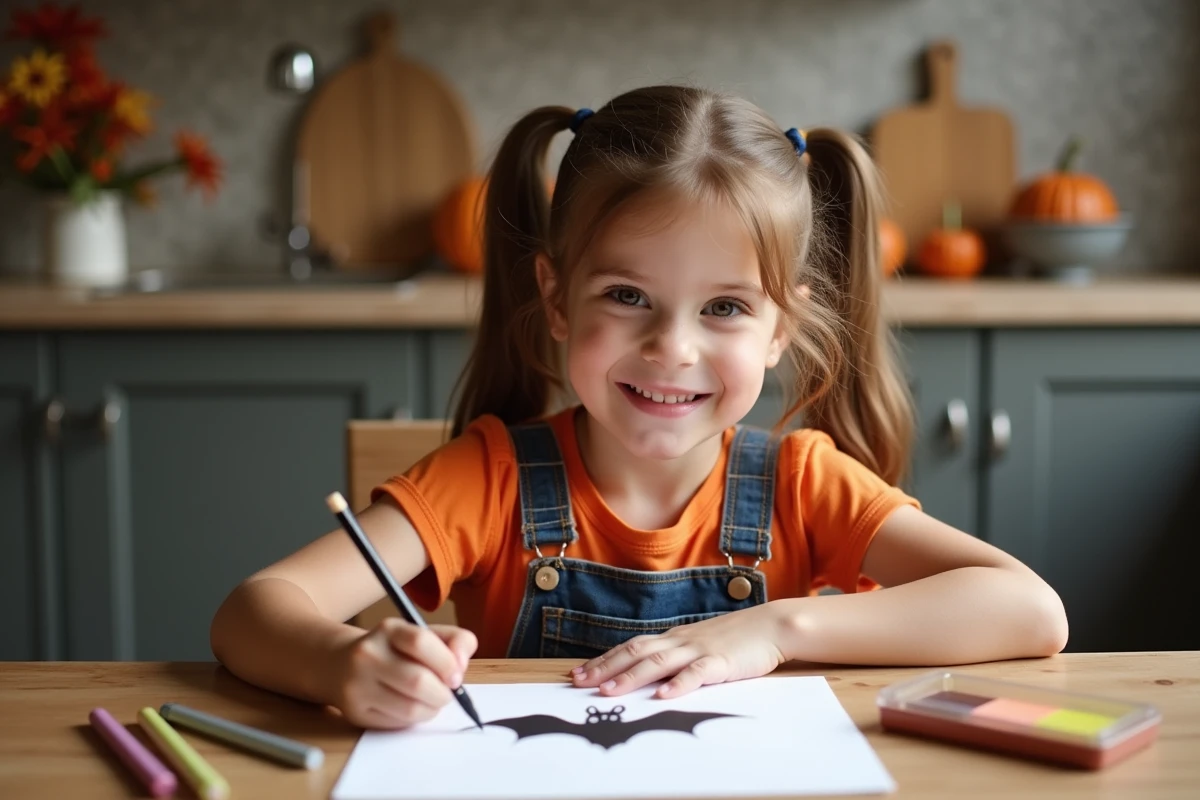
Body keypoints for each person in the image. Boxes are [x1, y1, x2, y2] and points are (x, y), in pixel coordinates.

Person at [211, 85, 1068, 730]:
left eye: (726, 307)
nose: (673, 348)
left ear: (781, 330)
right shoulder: (490, 478)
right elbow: (254, 610)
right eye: (627, 294)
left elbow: (1031, 610)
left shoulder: (803, 482)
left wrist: (774, 629)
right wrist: (343, 662)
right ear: (556, 300)